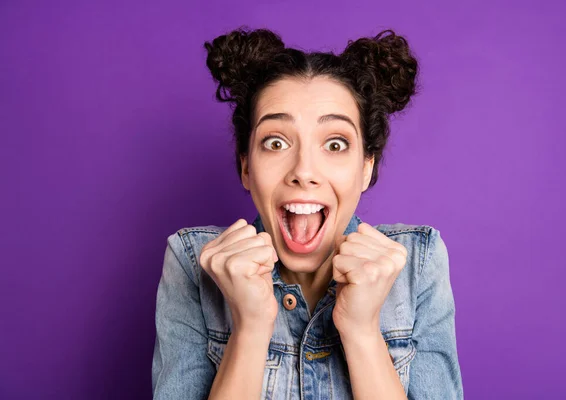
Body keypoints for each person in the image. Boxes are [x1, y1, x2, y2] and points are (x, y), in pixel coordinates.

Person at [151, 27, 463, 400]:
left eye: (335, 143)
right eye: (276, 142)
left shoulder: (418, 262)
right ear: (246, 167)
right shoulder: (194, 263)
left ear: (366, 167)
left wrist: (362, 331)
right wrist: (250, 329)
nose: (304, 171)